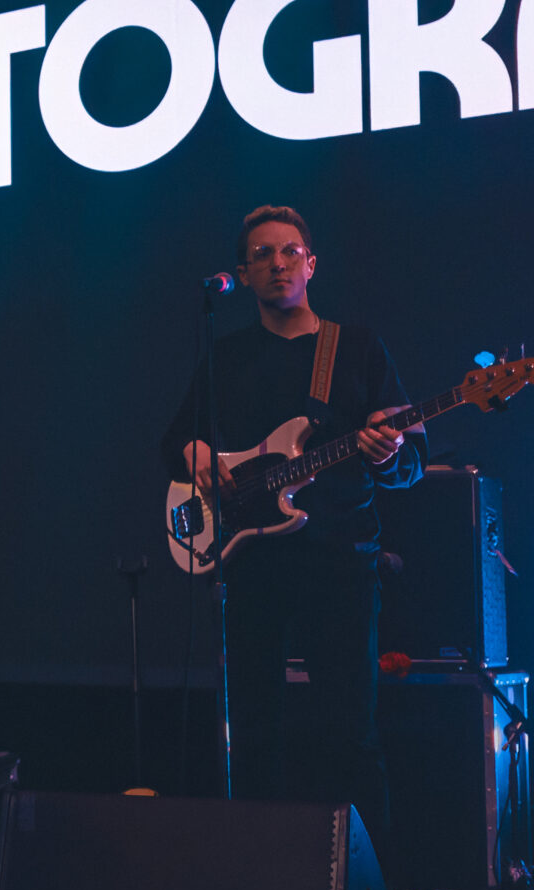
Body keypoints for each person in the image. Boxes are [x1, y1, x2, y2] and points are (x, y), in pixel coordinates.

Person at [159, 204, 423, 847]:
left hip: (339, 560)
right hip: (253, 565)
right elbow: (176, 442)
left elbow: (410, 464)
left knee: (349, 734)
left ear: (311, 264)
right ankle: (258, 886)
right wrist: (195, 454)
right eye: (261, 255)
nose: (276, 263)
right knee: (252, 731)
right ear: (243, 275)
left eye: (288, 251)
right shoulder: (226, 356)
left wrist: (389, 454)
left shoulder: (355, 348)